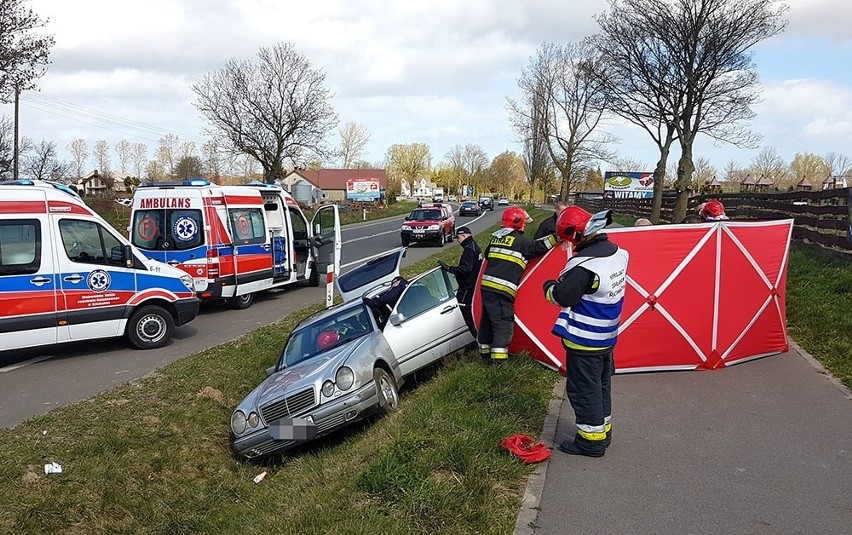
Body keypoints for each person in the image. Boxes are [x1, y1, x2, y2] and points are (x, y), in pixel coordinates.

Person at [543, 206, 630, 458]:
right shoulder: (617, 253)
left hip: (585, 340)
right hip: (606, 337)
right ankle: (604, 432)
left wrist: (549, 286)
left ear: (578, 235)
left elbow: (563, 296)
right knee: (601, 385)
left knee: (584, 390)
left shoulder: (584, 266)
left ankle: (590, 442)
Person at [479, 206, 558, 362]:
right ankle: (499, 363)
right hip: (503, 290)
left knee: (487, 321)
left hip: (486, 287)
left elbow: (488, 254)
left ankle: (484, 355)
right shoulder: (521, 242)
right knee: (502, 324)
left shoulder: (495, 238)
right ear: (518, 223)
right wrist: (558, 236)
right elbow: (539, 246)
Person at [438, 226, 482, 337]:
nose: (457, 240)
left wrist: (449, 269)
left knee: (466, 313)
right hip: (473, 285)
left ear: (464, 236)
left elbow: (466, 269)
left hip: (468, 287)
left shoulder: (469, 250)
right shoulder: (473, 246)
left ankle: (476, 337)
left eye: (458, 237)